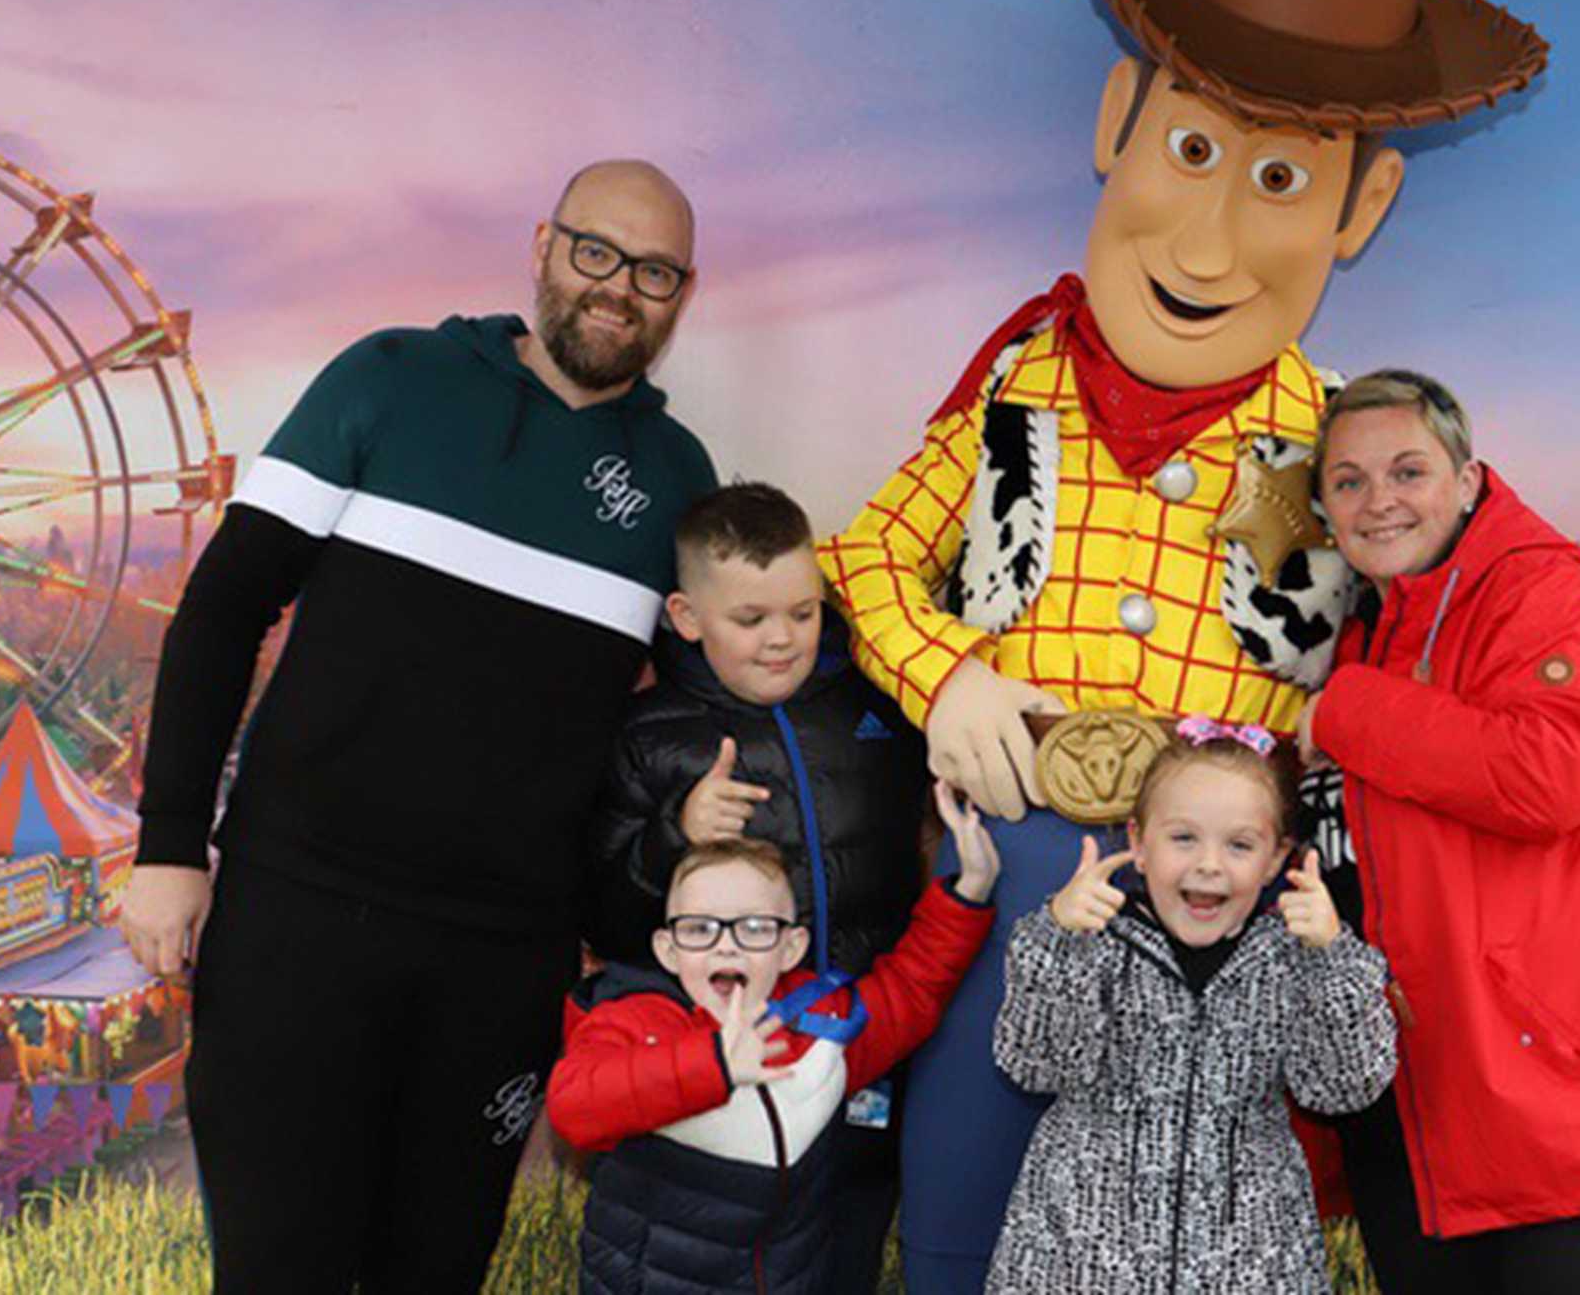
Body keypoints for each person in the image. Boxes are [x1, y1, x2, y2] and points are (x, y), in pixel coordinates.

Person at [815, 0, 1580, 1286]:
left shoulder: (1325, 451)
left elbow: (1519, 584)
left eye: (1279, 181)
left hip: (1224, 882)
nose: (1211, 246)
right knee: (967, 1193)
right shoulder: (1017, 387)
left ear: (1360, 208)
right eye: (1190, 152)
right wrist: (943, 677)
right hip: (1030, 865)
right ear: (1118, 120)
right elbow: (871, 553)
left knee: (1207, 1212)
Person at [119, 159, 717, 1292]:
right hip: (293, 917)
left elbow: (705, 698)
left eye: (651, 271)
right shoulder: (390, 378)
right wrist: (165, 844)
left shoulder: (678, 481)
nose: (616, 288)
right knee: (278, 1271)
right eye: (596, 252)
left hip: (497, 962)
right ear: (544, 245)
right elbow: (223, 606)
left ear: (682, 293)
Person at [1300, 371, 1580, 1293]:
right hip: (1431, 1115)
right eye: (1347, 481)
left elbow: (1542, 776)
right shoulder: (1366, 627)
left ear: (1467, 479)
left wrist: (1342, 713)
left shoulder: (1538, 589)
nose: (1377, 500)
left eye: (1407, 470)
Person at [587, 480, 929, 1291]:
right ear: (686, 617)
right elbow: (605, 916)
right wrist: (676, 835)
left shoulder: (875, 708)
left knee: (846, 1252)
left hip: (860, 1060)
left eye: (803, 613)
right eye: (750, 620)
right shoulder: (649, 738)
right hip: (724, 1084)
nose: (782, 640)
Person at [987, 726, 1395, 1295]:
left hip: (1251, 1257)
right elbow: (1034, 1065)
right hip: (1080, 1254)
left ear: (1278, 856)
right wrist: (1060, 942)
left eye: (1240, 845)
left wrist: (1332, 962)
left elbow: (1342, 1088)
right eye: (1183, 838)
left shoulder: (1293, 955)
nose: (1209, 865)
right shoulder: (1096, 940)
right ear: (1138, 840)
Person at [549, 812, 997, 1295]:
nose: (727, 946)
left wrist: (967, 893)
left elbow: (909, 990)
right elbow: (576, 1104)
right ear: (667, 949)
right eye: (699, 929)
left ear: (791, 947)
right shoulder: (637, 1023)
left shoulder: (820, 1023)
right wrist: (713, 1063)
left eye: (756, 928)